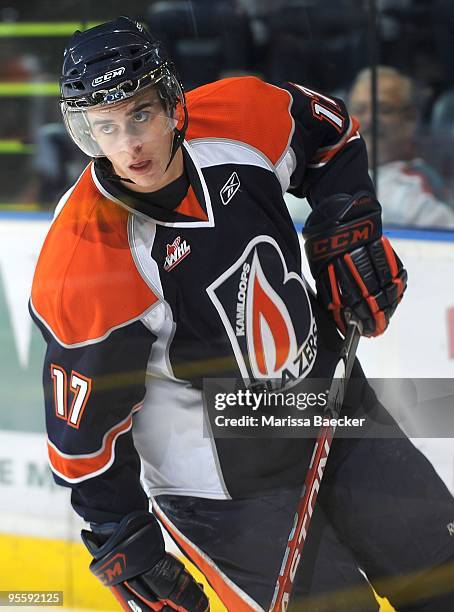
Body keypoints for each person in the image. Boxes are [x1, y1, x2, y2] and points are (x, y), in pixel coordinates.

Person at [29, 17, 454, 611]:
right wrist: (121, 540)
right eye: (105, 125)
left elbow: (330, 135)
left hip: (327, 401)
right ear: (83, 131)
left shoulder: (238, 118)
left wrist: (345, 224)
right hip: (222, 489)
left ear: (173, 104)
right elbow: (82, 441)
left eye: (141, 114)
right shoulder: (86, 264)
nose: (129, 145)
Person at [348, 65, 454, 229]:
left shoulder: (415, 189)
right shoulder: (324, 171)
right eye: (360, 109)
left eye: (384, 110)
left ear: (410, 119)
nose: (369, 119)